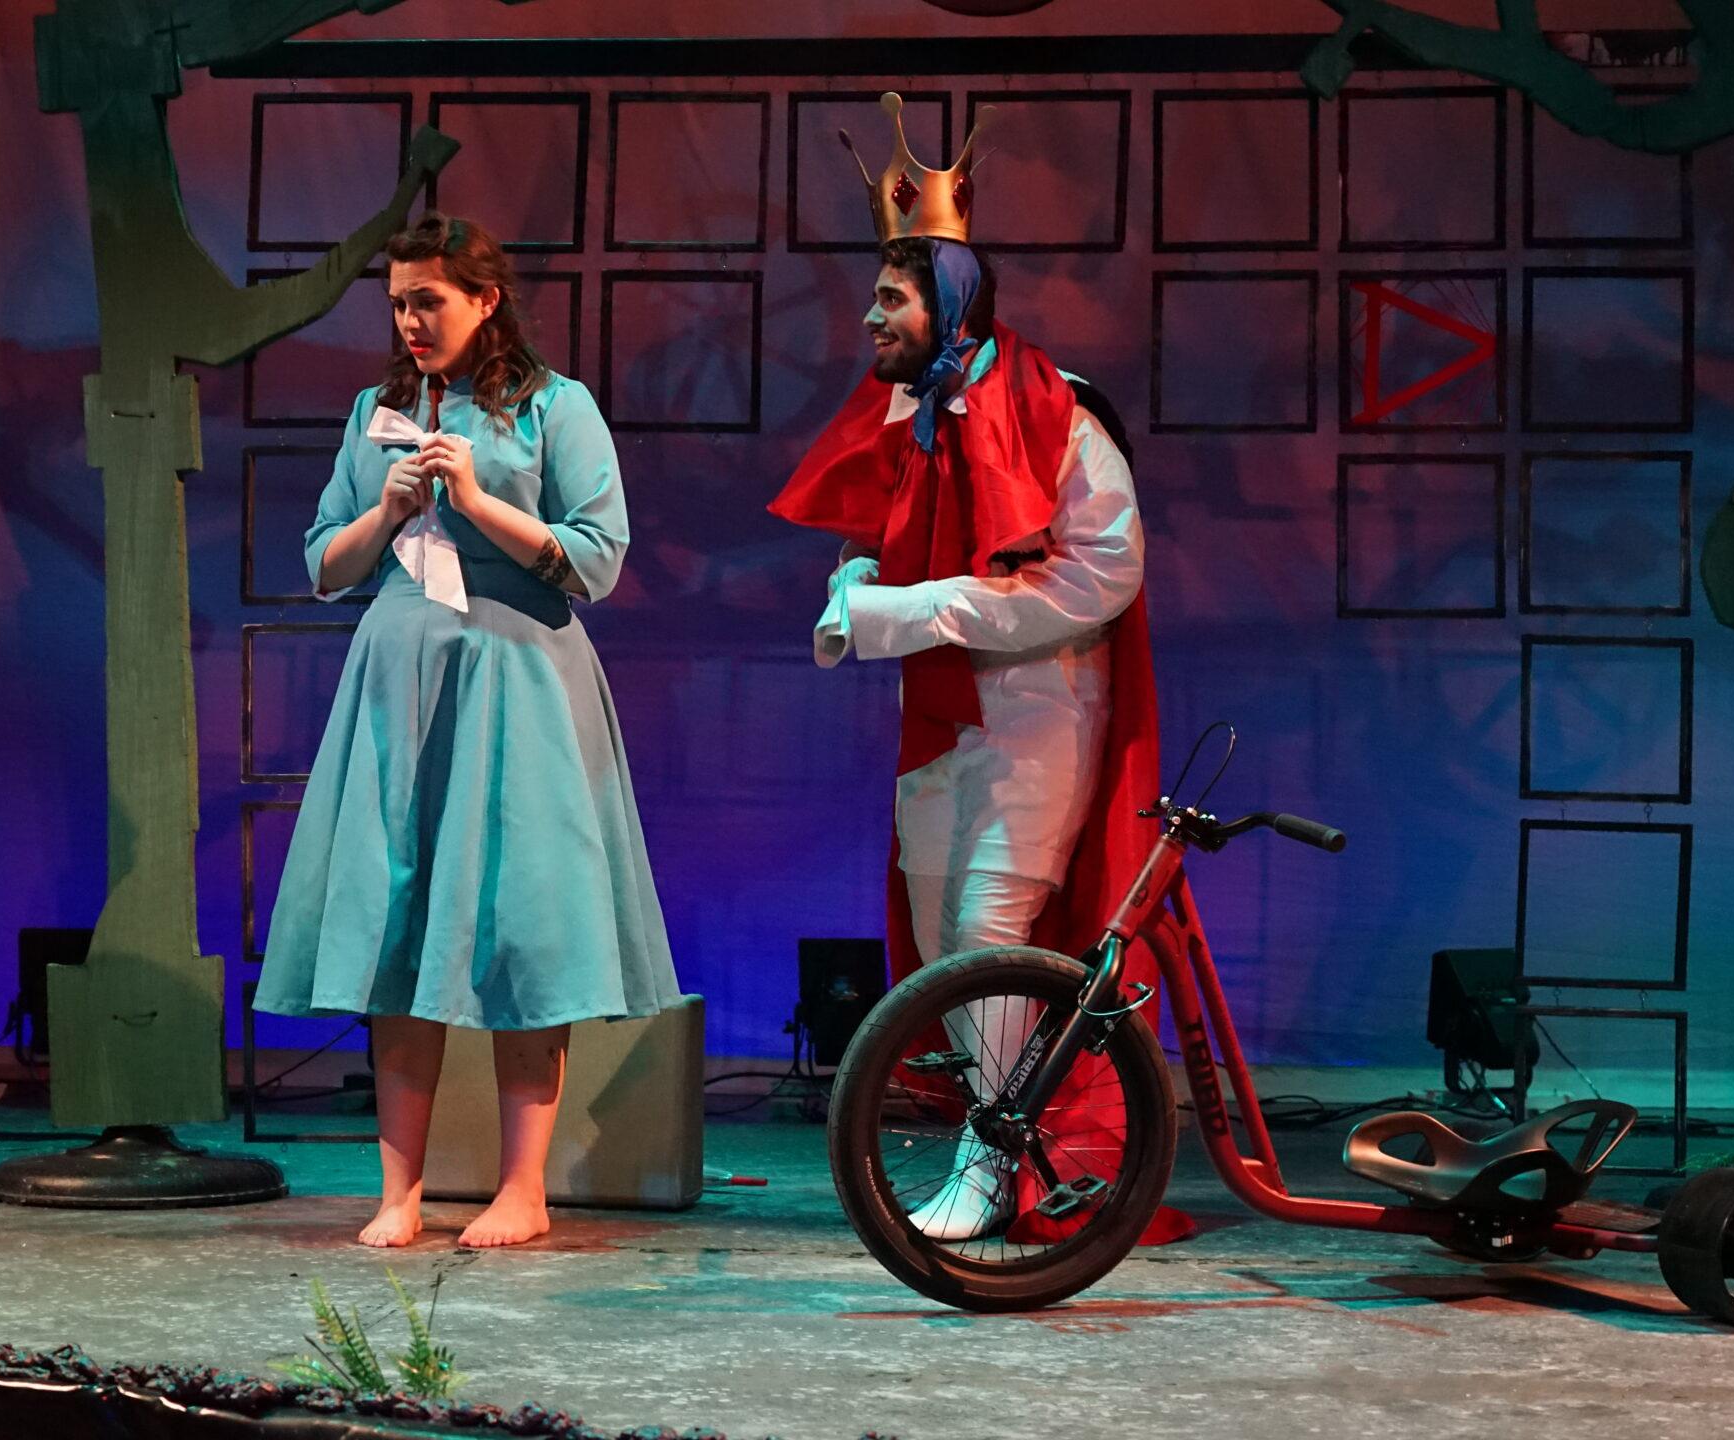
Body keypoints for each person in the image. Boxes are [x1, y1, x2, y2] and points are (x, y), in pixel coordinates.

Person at [770, 97, 1192, 1244]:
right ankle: (992, 1134)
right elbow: (876, 534)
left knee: (990, 923)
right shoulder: (906, 416)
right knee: (936, 935)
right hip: (940, 713)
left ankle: (989, 1159)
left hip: (1040, 707)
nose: (871, 316)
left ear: (948, 304)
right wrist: (854, 595)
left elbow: (1100, 573)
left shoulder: (1058, 413)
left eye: (891, 298)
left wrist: (914, 609)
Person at [256, 213, 679, 1250]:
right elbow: (324, 565)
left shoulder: (556, 408)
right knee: (397, 926)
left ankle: (523, 1188)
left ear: (485, 300)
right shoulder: (376, 413)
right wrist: (389, 510)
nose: (409, 321)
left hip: (518, 677)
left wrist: (478, 503)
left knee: (521, 926)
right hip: (400, 685)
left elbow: (597, 558)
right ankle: (399, 1191)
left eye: (428, 301)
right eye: (397, 303)